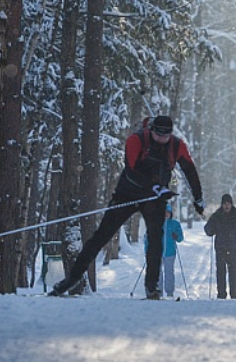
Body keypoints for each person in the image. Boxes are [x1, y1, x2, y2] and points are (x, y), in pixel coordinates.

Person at [50, 115, 204, 299]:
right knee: (102, 236)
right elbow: (132, 170)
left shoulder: (177, 146)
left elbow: (190, 170)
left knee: (156, 240)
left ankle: (152, 286)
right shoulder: (136, 140)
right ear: (151, 130)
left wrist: (198, 197)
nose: (162, 139)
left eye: (166, 136)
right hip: (128, 193)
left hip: (155, 199)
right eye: (158, 135)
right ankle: (71, 279)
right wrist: (155, 187)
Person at [204, 193, 236, 299]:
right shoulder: (217, 215)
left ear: (231, 204)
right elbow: (208, 229)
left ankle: (234, 294)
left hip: (234, 248)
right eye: (225, 204)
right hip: (221, 248)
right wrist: (210, 229)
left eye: (228, 204)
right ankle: (221, 293)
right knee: (220, 272)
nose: (226, 206)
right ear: (222, 204)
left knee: (234, 272)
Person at [144, 205, 184, 297]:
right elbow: (147, 238)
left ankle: (170, 292)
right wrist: (147, 250)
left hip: (170, 252)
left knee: (169, 272)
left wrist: (176, 236)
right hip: (157, 252)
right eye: (164, 212)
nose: (166, 214)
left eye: (168, 213)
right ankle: (158, 291)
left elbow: (180, 238)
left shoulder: (175, 224)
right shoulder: (155, 223)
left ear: (171, 214)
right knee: (158, 272)